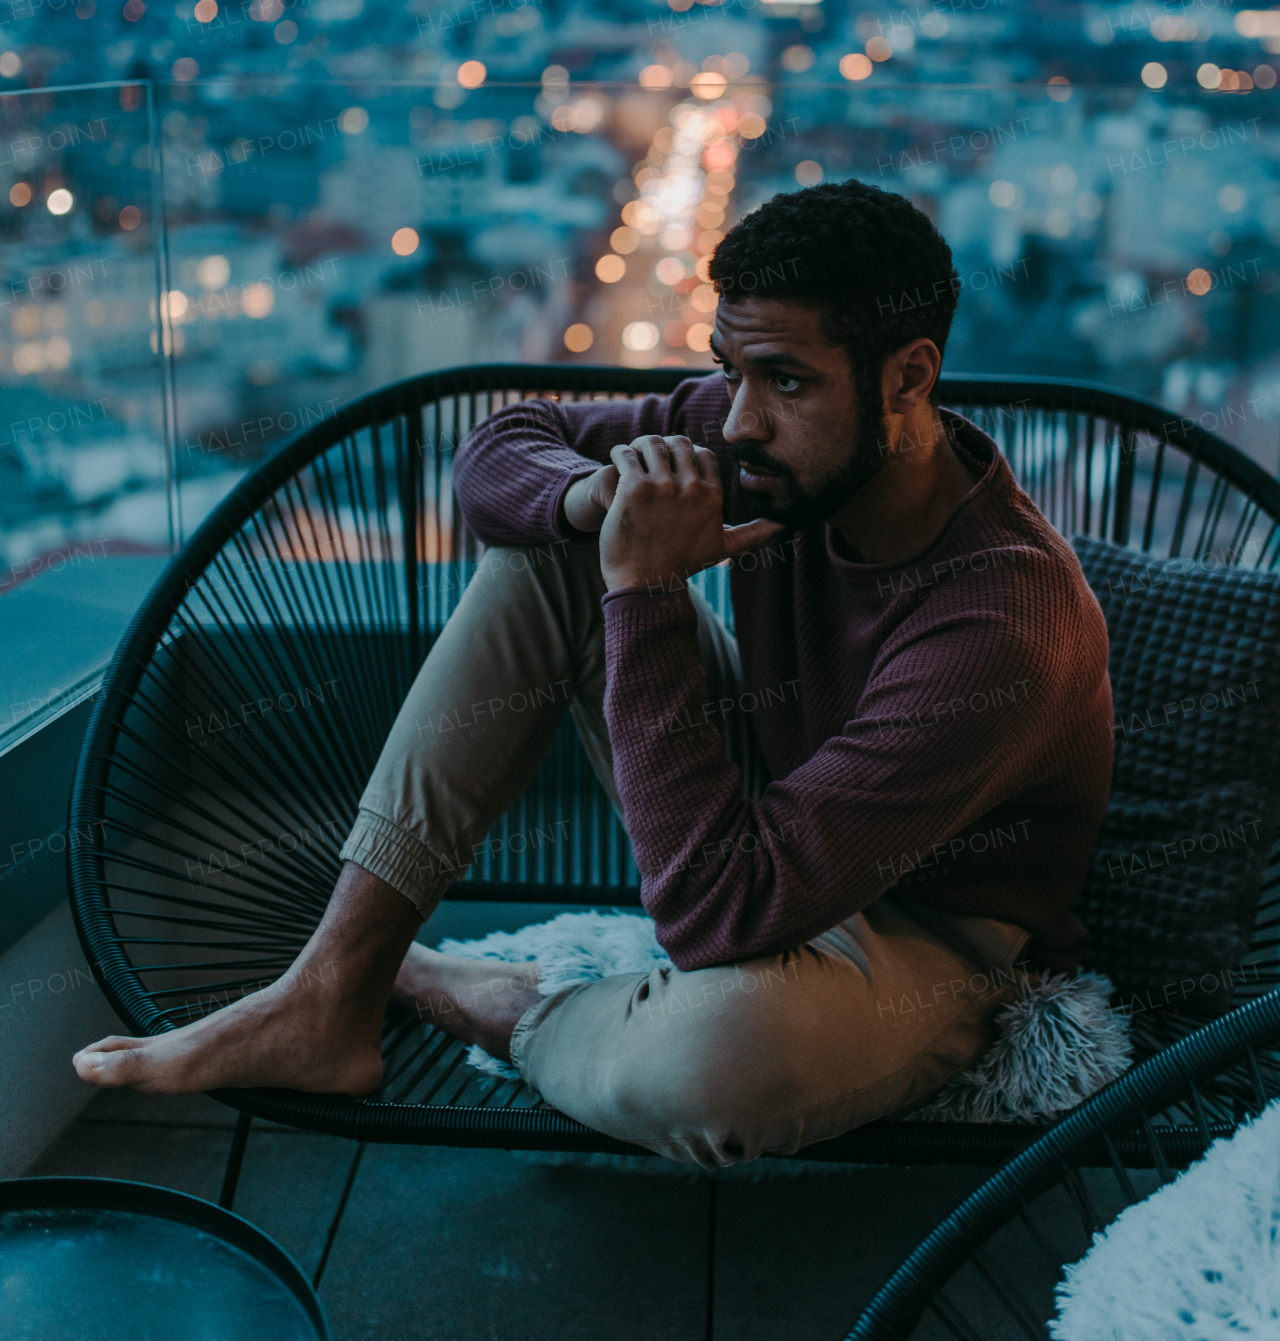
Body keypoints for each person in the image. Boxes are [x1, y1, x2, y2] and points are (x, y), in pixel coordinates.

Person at [73, 179, 1114, 1170]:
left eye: (785, 381)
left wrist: (647, 591)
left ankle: (490, 1002)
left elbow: (716, 916)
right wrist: (589, 511)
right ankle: (331, 988)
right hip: (776, 815)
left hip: (930, 936)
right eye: (729, 370)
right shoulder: (770, 436)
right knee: (550, 539)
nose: (739, 419)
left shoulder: (999, 621)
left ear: (906, 378)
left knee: (711, 1068)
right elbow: (501, 448)